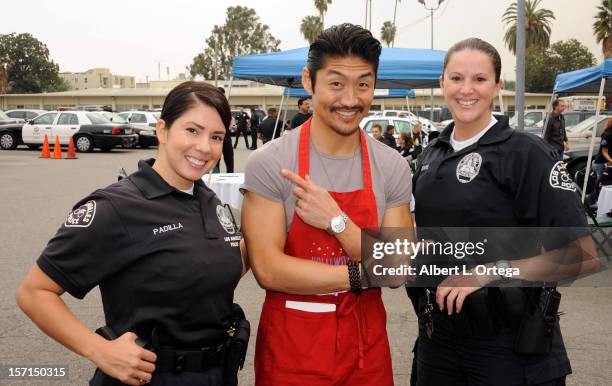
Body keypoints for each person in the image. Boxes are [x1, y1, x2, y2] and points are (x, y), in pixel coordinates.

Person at [17, 82, 250, 386]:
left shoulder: (209, 200)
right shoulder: (116, 207)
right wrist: (98, 349)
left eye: (216, 137)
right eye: (192, 130)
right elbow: (34, 292)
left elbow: (213, 265)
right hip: (149, 377)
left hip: (217, 374)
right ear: (163, 130)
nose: (205, 147)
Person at [409, 38, 598, 386]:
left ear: (498, 86)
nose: (466, 90)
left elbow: (582, 256)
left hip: (509, 348)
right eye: (456, 78)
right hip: (438, 343)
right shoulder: (430, 156)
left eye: (479, 79)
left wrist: (489, 272)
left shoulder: (528, 155)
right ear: (442, 83)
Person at [242, 23, 413, 385]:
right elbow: (269, 270)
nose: (350, 99)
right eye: (336, 83)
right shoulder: (271, 163)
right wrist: (364, 272)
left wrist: (338, 222)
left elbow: (397, 270)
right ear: (309, 81)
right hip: (292, 356)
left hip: (367, 355)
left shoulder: (391, 166)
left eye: (363, 84)